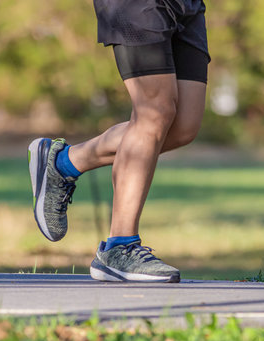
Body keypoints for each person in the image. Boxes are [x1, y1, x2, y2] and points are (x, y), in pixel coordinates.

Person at [27, 0, 210, 283]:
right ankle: (119, 247)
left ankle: (64, 162)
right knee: (154, 112)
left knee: (183, 127)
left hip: (187, 6)